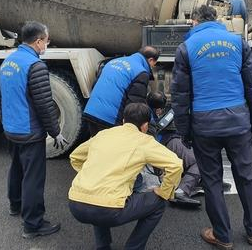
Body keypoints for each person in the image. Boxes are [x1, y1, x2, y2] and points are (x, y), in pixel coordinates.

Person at [171, 5, 252, 249]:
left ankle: (222, 236)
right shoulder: (237, 43)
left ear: (194, 22)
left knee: (211, 180)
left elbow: (180, 96)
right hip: (238, 122)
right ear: (217, 20)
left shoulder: (186, 49)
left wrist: (184, 131)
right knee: (246, 176)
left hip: (205, 126)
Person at [68, 103, 183, 250]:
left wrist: (90, 176)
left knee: (102, 191)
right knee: (159, 203)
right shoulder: (143, 140)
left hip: (75, 205)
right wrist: (164, 192)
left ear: (123, 121)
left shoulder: (103, 134)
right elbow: (176, 165)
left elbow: (75, 157)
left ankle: (102, 246)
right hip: (108, 211)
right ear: (145, 126)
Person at [0, 21, 67, 239]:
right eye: (46, 41)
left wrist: (6, 123)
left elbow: (1, 96)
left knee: (17, 168)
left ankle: (15, 206)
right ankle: (33, 224)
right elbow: (45, 105)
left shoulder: (8, 61)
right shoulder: (35, 66)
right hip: (29, 132)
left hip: (12, 129)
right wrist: (56, 132)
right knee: (33, 178)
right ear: (38, 42)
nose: (47, 44)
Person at [83, 46, 160, 137]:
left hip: (91, 112)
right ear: (151, 60)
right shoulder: (141, 72)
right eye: (154, 64)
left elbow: (95, 84)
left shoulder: (112, 62)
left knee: (96, 145)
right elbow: (135, 105)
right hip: (109, 119)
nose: (152, 66)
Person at [147, 91, 202, 206]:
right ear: (159, 109)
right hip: (169, 140)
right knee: (198, 162)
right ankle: (182, 191)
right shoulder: (171, 112)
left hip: (157, 147)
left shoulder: (140, 112)